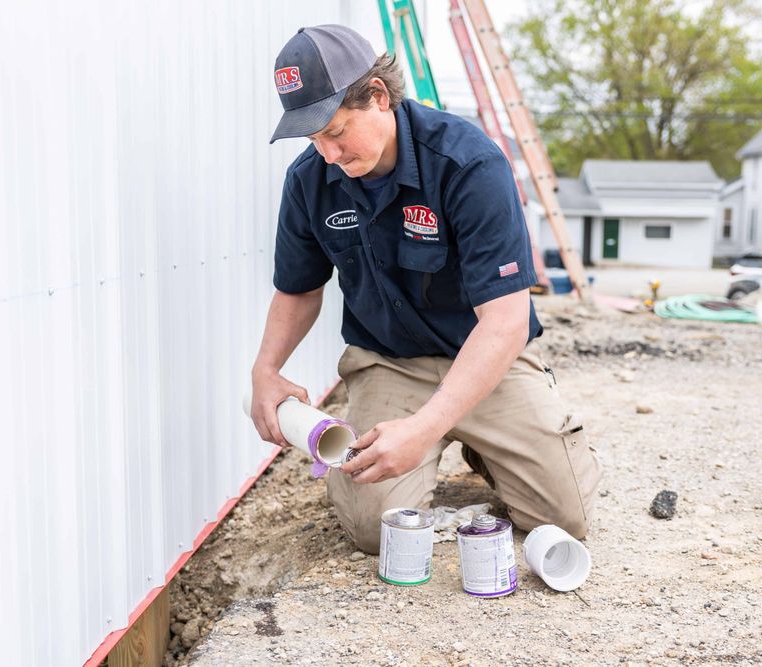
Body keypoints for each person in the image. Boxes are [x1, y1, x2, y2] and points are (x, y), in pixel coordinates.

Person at [250, 24, 601, 554]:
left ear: (377, 96)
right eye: (312, 138)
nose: (327, 153)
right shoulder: (309, 181)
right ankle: (448, 434)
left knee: (563, 520)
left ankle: (482, 442)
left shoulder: (468, 165)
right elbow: (299, 289)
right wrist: (266, 371)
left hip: (484, 355)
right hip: (389, 360)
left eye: (337, 131)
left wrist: (426, 425)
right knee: (376, 533)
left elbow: (504, 322)